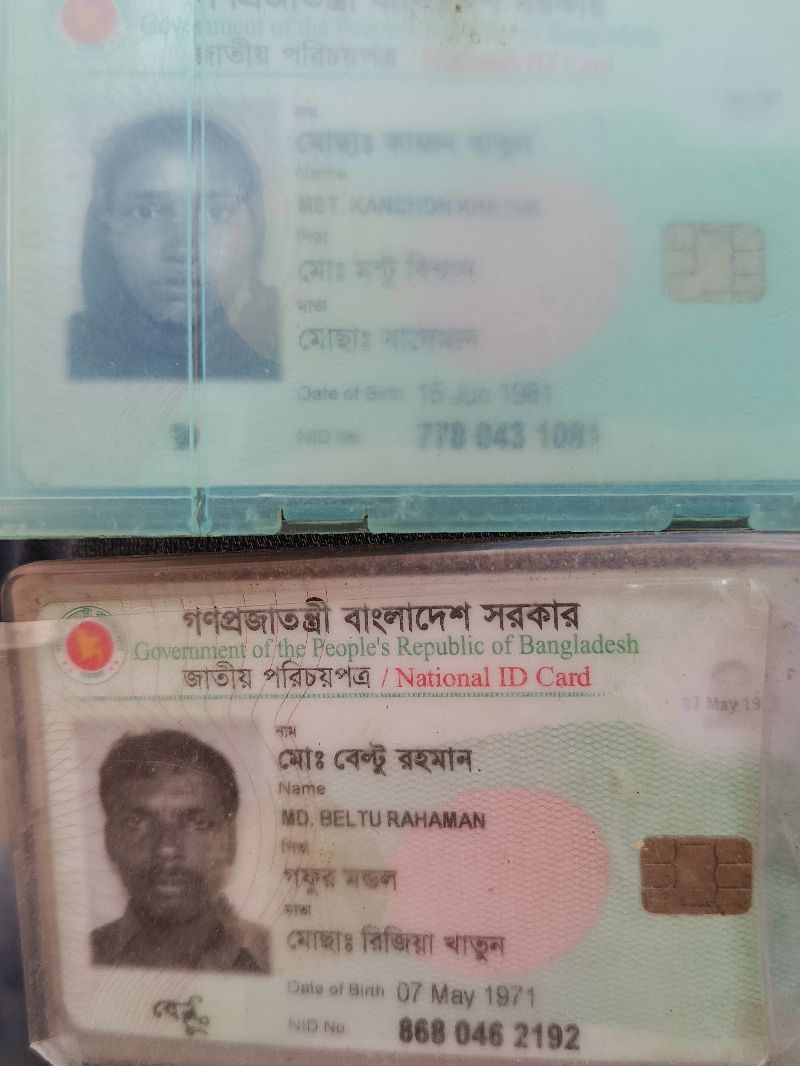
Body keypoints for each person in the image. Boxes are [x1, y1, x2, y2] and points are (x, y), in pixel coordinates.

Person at [69, 113, 280, 379]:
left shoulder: (286, 349)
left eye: (217, 213)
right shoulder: (60, 353)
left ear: (254, 229)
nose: (184, 252)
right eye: (146, 213)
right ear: (104, 229)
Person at [92, 729, 270, 972]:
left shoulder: (274, 957)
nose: (166, 848)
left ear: (230, 841)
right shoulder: (74, 959)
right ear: (110, 841)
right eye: (136, 822)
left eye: (198, 823)